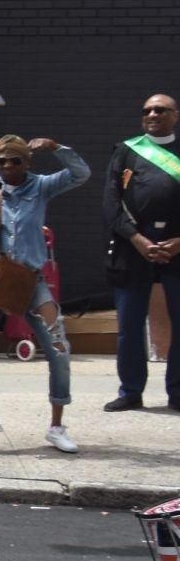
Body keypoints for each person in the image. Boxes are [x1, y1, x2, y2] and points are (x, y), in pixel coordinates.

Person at [0, 99, 88, 453]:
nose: (8, 166)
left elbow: (81, 173)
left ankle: (56, 426)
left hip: (30, 280)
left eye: (15, 160)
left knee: (59, 349)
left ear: (27, 161)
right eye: (2, 161)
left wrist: (56, 147)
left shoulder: (41, 186)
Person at [102, 92, 180, 411]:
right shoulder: (126, 152)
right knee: (130, 327)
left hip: (177, 249)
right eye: (147, 110)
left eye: (160, 110)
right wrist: (138, 240)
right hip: (133, 249)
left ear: (175, 116)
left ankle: (177, 393)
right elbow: (111, 204)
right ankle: (131, 391)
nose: (152, 115)